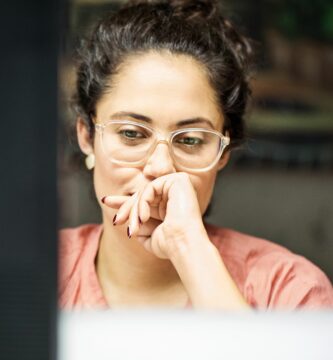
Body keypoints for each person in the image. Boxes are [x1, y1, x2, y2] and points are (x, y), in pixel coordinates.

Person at [59, 0, 333, 310]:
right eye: (131, 134)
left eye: (190, 140)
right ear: (87, 136)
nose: (160, 167)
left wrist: (187, 248)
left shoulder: (289, 290)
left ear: (223, 151)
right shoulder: (33, 276)